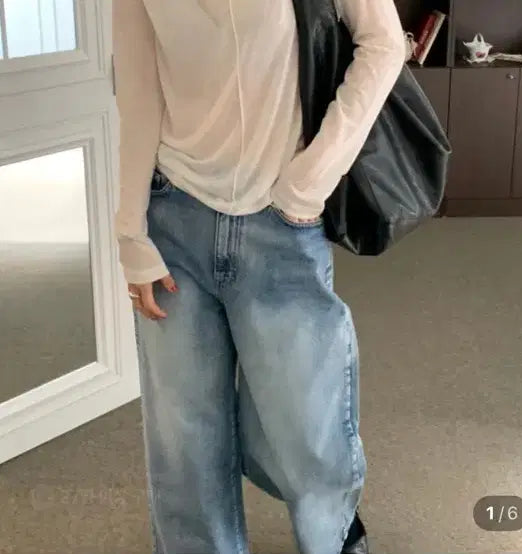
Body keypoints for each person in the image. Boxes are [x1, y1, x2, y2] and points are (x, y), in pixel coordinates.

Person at [113, 0, 404, 552]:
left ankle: (335, 537)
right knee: (184, 439)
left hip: (280, 223)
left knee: (306, 429)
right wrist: (131, 232)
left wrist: (309, 181)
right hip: (173, 220)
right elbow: (138, 87)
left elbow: (385, 42)